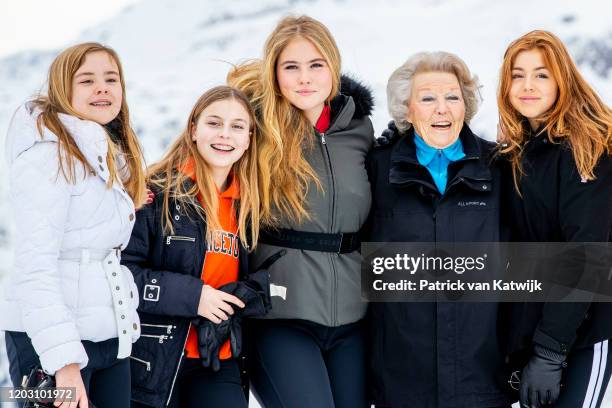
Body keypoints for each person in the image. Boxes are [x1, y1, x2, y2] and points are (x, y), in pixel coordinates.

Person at [227, 15, 374, 408]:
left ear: (333, 67)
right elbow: (202, 163)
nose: (304, 78)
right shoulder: (252, 128)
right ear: (275, 73)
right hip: (280, 315)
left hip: (352, 319)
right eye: (291, 67)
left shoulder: (359, 129)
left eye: (316, 65)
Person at [1, 42, 147, 408]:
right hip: (47, 343)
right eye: (87, 80)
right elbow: (34, 268)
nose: (102, 87)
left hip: (109, 336)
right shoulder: (47, 157)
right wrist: (63, 361)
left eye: (111, 78)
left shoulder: (106, 157)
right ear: (63, 91)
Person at [367, 51, 515, 408]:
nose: (442, 109)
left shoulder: (500, 168)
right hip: (399, 384)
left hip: (481, 379)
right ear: (407, 108)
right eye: (428, 98)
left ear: (466, 105)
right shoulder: (375, 168)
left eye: (452, 97)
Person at [122, 85, 277, 408]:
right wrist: (195, 297)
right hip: (154, 358)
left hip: (218, 359)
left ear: (249, 139)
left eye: (237, 126)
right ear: (193, 129)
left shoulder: (250, 205)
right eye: (214, 123)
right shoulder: (154, 193)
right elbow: (122, 275)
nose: (225, 135)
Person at [498, 30, 612, 408]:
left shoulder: (586, 147)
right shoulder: (517, 152)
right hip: (539, 327)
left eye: (542, 74)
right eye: (518, 74)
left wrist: (550, 352)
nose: (527, 85)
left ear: (563, 79)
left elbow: (586, 254)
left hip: (588, 328)